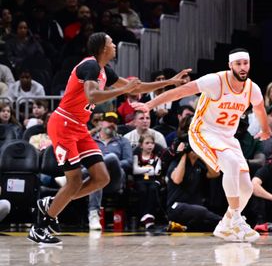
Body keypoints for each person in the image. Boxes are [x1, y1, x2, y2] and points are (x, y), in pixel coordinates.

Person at [30, 32, 186, 246]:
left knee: (102, 178)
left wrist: (171, 82)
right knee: (74, 179)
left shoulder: (105, 71)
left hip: (79, 127)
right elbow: (92, 95)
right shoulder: (90, 66)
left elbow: (137, 87)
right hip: (63, 124)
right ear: (103, 47)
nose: (114, 45)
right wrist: (123, 90)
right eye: (112, 42)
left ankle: (52, 204)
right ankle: (41, 226)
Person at [135, 48, 269, 242]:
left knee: (247, 187)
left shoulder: (252, 88)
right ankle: (237, 219)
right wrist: (149, 105)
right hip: (202, 132)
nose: (242, 67)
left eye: (245, 63)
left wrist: (265, 130)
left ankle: (226, 223)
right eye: (238, 64)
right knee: (230, 164)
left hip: (227, 138)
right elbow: (179, 92)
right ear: (230, 65)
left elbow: (259, 108)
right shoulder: (214, 81)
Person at [132, 133, 162, 229]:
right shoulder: (137, 156)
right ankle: (145, 216)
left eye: (152, 143)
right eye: (147, 143)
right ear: (141, 145)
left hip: (153, 180)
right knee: (142, 190)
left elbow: (156, 171)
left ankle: (148, 215)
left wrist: (144, 169)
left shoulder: (156, 157)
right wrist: (148, 169)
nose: (150, 145)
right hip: (140, 180)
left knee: (153, 189)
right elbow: (135, 170)